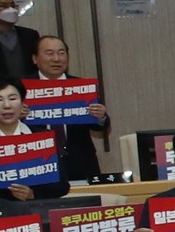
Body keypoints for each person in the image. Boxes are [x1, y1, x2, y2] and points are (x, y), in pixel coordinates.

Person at [28, 33, 112, 183]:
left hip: (80, 164)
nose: (56, 59)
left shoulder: (81, 86)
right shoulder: (21, 89)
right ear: (34, 59)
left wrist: (101, 117)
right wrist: (17, 116)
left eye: (61, 53)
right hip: (38, 164)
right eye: (49, 53)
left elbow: (99, 126)